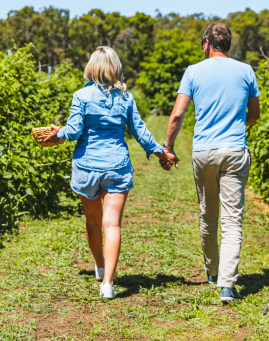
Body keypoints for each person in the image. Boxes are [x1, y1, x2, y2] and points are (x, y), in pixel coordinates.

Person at [42, 46, 175, 299]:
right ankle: (109, 285)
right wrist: (162, 153)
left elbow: (72, 131)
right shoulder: (126, 98)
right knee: (112, 224)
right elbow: (141, 133)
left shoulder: (81, 95)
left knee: (93, 222)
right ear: (116, 67)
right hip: (116, 167)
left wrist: (57, 132)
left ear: (92, 66)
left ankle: (100, 266)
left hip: (87, 168)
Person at [161, 23, 260, 302]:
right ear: (227, 44)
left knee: (208, 214)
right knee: (232, 219)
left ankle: (213, 271)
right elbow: (254, 114)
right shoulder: (246, 71)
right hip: (234, 150)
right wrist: (235, 122)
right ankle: (227, 286)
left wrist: (167, 147)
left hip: (204, 152)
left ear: (207, 43)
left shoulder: (193, 71)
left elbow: (177, 115)